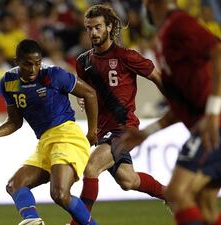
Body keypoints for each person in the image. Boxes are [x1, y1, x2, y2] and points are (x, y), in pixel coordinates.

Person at [117, 1, 221, 225]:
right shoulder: (164, 39)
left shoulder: (178, 24)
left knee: (177, 193)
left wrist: (213, 113)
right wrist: (147, 132)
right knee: (205, 205)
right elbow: (180, 105)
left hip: (220, 120)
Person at [0, 39, 99, 225]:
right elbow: (15, 121)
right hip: (45, 142)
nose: (33, 69)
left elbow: (89, 94)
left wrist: (92, 131)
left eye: (37, 63)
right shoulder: (10, 82)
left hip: (67, 136)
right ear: (17, 61)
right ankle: (33, 221)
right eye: (28, 64)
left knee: (59, 194)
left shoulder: (53, 75)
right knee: (15, 185)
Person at [69, 4, 166, 225]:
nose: (93, 33)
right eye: (89, 28)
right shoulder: (83, 62)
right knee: (127, 180)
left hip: (125, 127)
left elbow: (157, 77)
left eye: (98, 27)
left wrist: (175, 102)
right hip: (104, 131)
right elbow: (84, 91)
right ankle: (171, 195)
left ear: (110, 27)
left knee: (92, 167)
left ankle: (78, 223)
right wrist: (81, 97)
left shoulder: (126, 56)